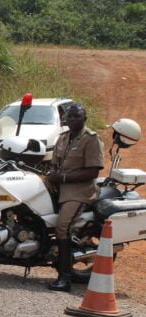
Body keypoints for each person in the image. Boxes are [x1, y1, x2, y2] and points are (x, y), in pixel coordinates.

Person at [44, 103, 104, 292]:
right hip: (59, 187)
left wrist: (62, 177)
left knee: (62, 226)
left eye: (77, 117)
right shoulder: (62, 138)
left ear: (85, 119)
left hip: (80, 190)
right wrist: (52, 176)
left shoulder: (91, 139)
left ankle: (64, 278)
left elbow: (93, 171)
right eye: (69, 117)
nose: (72, 120)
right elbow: (53, 164)